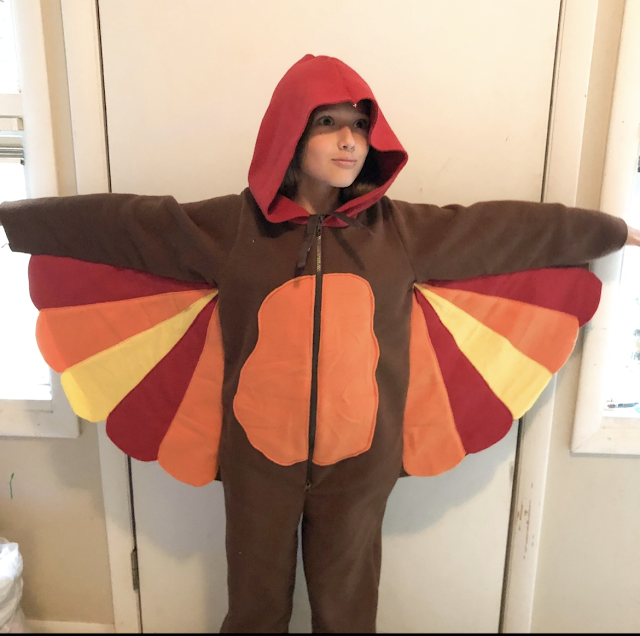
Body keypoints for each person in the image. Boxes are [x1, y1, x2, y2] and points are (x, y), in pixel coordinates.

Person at [1, 54, 639, 633]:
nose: (349, 140)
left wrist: (610, 232)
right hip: (257, 460)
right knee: (254, 611)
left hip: (360, 463)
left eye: (360, 125)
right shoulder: (230, 229)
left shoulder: (400, 233)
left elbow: (509, 231)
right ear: (288, 134)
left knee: (347, 614)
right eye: (327, 123)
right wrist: (15, 218)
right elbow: (119, 226)